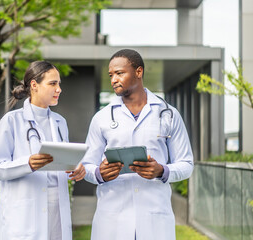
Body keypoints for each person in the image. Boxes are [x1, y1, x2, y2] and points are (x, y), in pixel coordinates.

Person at [81, 49, 194, 240]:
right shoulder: (101, 118)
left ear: (138, 72)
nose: (113, 79)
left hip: (154, 218)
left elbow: (186, 164)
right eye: (111, 75)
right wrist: (100, 174)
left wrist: (161, 171)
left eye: (119, 73)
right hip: (112, 219)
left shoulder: (169, 114)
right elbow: (85, 166)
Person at [0, 60, 86, 240]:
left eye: (59, 84)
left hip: (57, 211)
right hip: (26, 215)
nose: (59, 89)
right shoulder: (12, 121)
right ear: (34, 85)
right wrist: (28, 164)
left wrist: (76, 168)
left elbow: (61, 161)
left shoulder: (60, 122)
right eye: (52, 83)